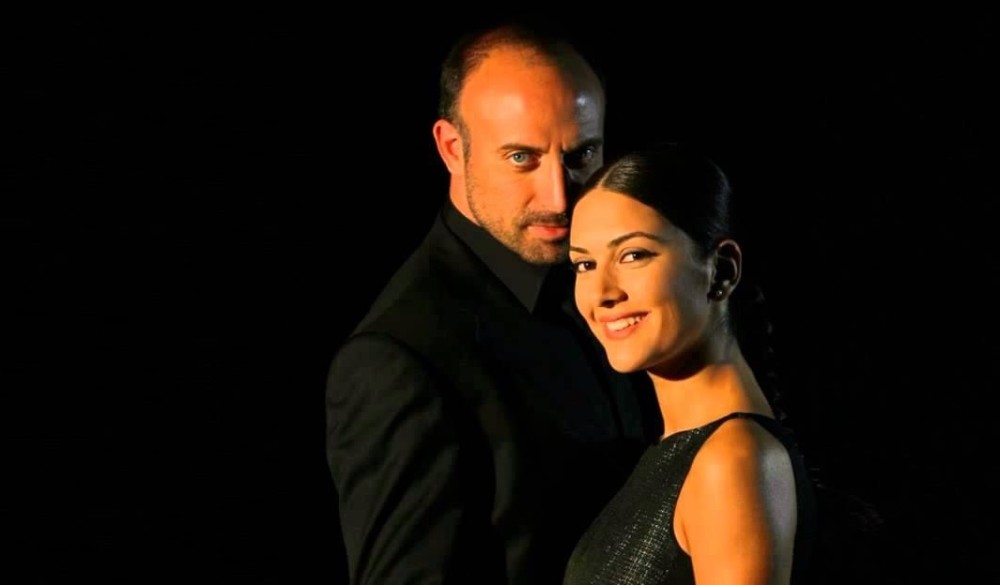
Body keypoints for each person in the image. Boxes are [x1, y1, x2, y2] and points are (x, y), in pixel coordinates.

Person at [325, 21, 659, 584]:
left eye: (582, 154)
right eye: (522, 158)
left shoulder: (621, 280)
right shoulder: (399, 360)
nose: (559, 195)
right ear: (452, 149)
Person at [562, 142, 818, 584]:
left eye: (633, 255)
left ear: (721, 270)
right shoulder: (684, 452)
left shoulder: (732, 460)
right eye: (584, 264)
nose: (601, 293)